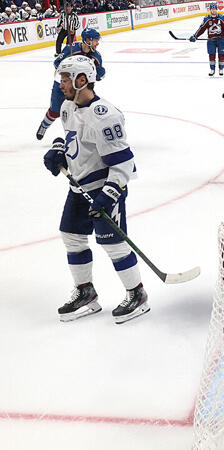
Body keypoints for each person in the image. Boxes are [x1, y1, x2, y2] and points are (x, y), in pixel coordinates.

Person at [41, 55, 149, 324]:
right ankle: (86, 292)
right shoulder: (68, 107)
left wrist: (108, 195)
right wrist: (59, 152)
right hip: (79, 186)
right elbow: (75, 143)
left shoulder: (106, 116)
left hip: (104, 187)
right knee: (71, 235)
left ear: (81, 80)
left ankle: (137, 294)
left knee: (113, 244)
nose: (61, 84)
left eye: (65, 79)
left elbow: (123, 162)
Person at [37, 27, 105, 141]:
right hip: (63, 84)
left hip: (82, 87)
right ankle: (44, 125)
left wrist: (99, 74)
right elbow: (56, 62)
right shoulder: (71, 48)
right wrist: (69, 67)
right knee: (55, 110)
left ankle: (90, 133)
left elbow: (97, 76)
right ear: (88, 40)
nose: (98, 43)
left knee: (88, 108)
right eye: (95, 40)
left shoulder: (96, 56)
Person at [188, 3, 224, 77]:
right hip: (211, 40)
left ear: (217, 9)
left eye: (215, 9)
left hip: (221, 39)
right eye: (212, 9)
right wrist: (195, 36)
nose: (214, 11)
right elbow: (201, 28)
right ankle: (212, 69)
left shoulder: (221, 17)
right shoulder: (207, 19)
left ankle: (221, 69)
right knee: (211, 55)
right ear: (210, 10)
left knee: (221, 55)